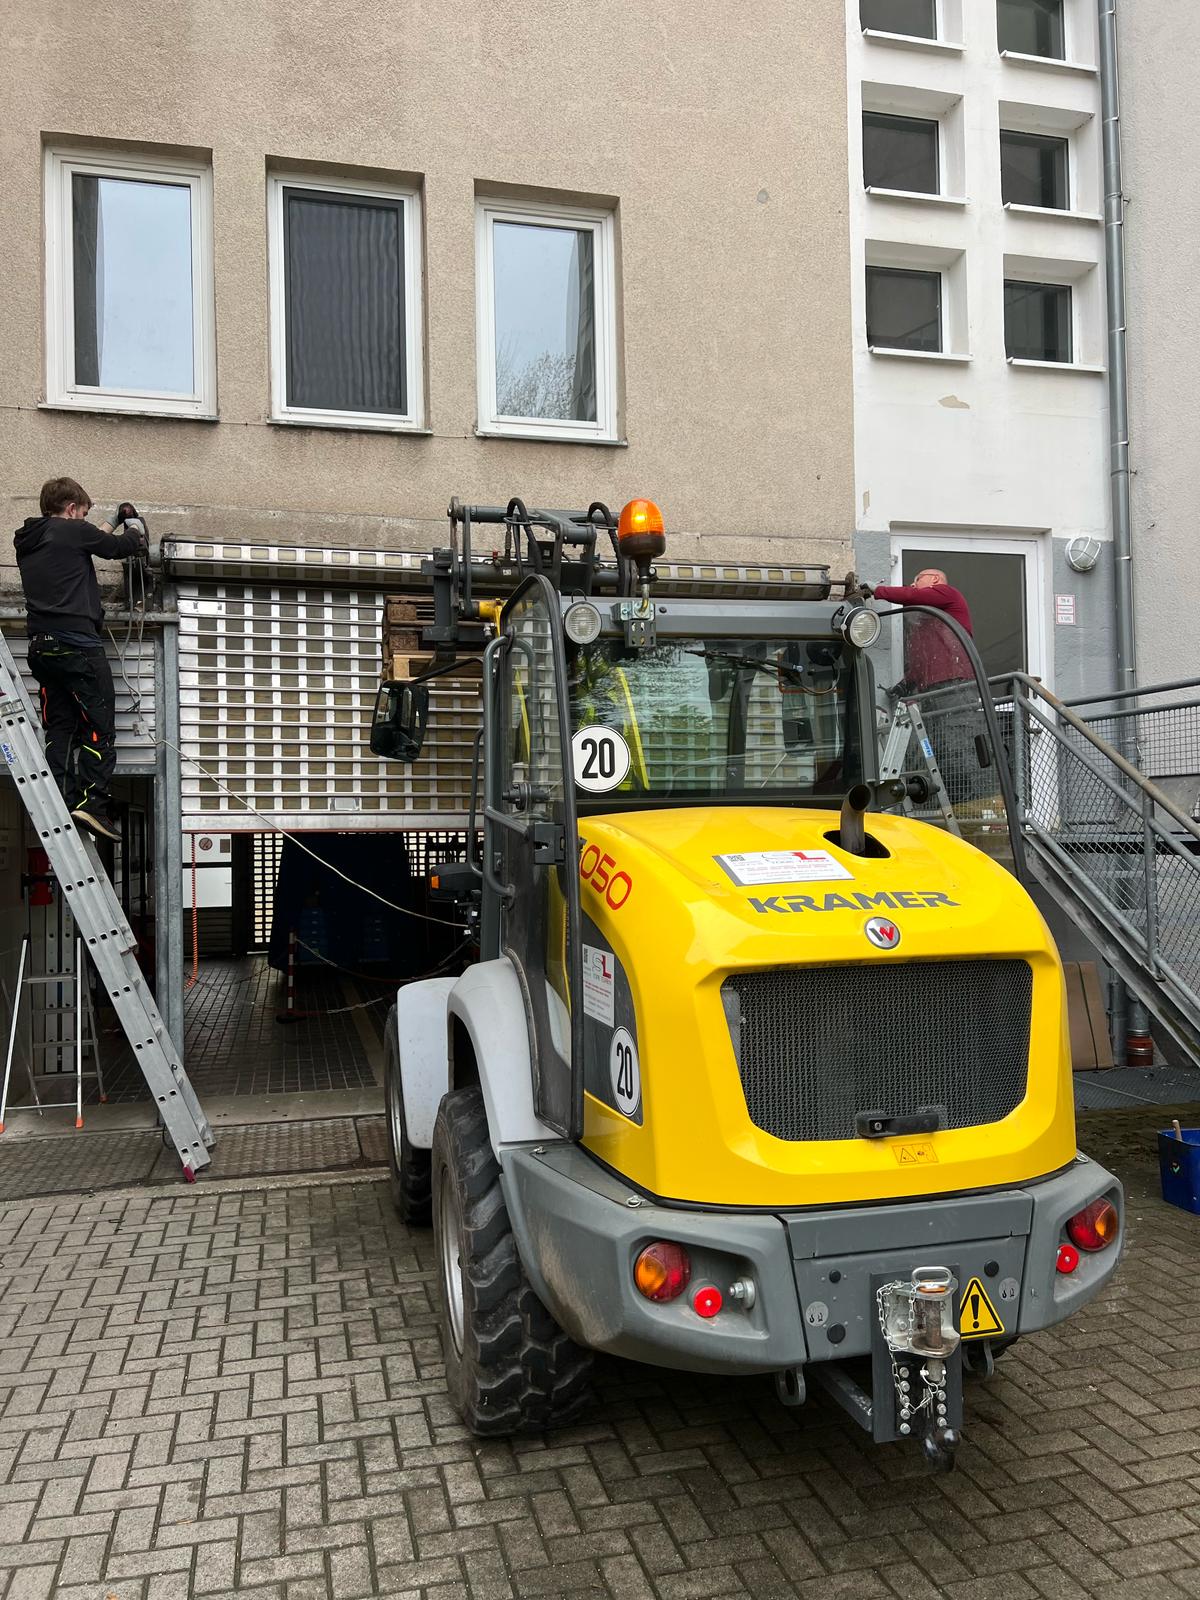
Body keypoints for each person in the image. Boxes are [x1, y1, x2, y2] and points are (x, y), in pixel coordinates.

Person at [13, 478, 148, 842]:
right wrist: (133, 526)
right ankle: (93, 804)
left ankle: (59, 800)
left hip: (42, 648)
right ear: (71, 509)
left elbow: (90, 540)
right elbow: (119, 547)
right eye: (84, 513)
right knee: (98, 725)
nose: (85, 520)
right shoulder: (72, 532)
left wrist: (111, 520)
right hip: (78, 646)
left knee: (60, 728)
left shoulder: (29, 540)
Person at [861, 569, 974, 694]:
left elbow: (912, 595)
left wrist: (878, 590)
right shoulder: (927, 625)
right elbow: (921, 661)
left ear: (935, 579)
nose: (912, 585)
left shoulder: (948, 592)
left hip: (954, 681)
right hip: (931, 686)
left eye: (918, 579)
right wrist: (904, 685)